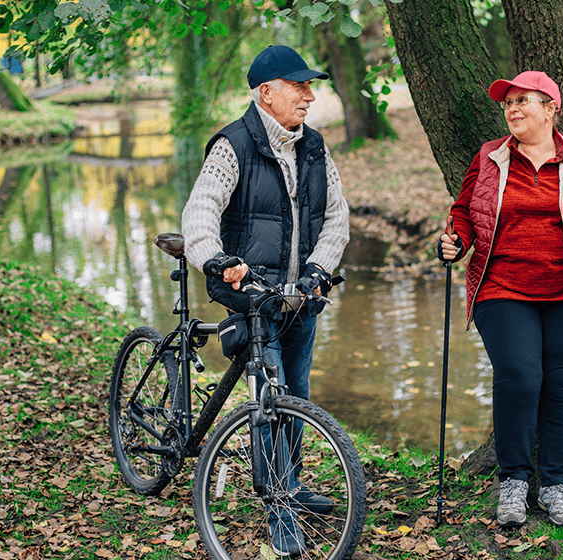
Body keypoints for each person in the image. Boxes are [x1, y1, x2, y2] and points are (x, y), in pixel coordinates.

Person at [180, 45, 350, 556]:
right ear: (266, 92)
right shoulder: (232, 146)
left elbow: (337, 218)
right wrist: (214, 259)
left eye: (309, 87)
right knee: (268, 399)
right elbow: (200, 213)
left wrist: (319, 270)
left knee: (295, 395)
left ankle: (291, 485)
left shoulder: (315, 148)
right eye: (299, 87)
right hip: (252, 296)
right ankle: (278, 508)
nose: (310, 96)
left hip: (301, 297)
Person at [439, 71, 563, 527]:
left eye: (524, 101)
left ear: (550, 108)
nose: (513, 110)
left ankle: (557, 485)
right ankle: (514, 482)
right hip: (503, 287)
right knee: (521, 376)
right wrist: (456, 240)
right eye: (508, 103)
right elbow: (464, 211)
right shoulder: (491, 157)